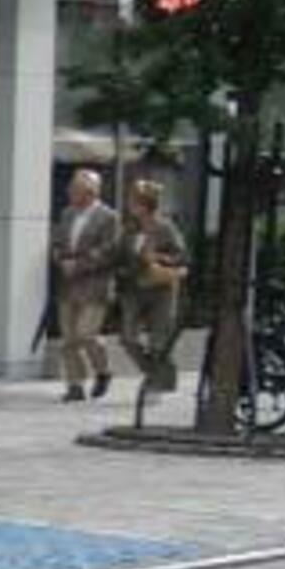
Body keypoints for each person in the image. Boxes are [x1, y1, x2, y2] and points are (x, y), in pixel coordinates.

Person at [51, 167, 122, 401]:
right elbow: (58, 242)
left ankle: (103, 370)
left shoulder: (109, 217)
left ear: (90, 192)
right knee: (69, 339)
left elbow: (109, 251)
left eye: (75, 189)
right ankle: (75, 386)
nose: (69, 192)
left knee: (86, 334)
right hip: (68, 285)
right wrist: (60, 258)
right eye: (71, 188)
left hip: (95, 286)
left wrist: (79, 264)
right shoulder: (67, 214)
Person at [118, 177, 191, 394]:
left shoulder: (165, 227)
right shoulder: (130, 228)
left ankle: (162, 377)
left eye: (133, 201)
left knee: (159, 341)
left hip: (161, 288)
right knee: (128, 338)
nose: (130, 205)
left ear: (145, 204)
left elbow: (182, 256)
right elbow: (121, 256)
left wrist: (158, 257)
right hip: (134, 288)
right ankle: (155, 373)